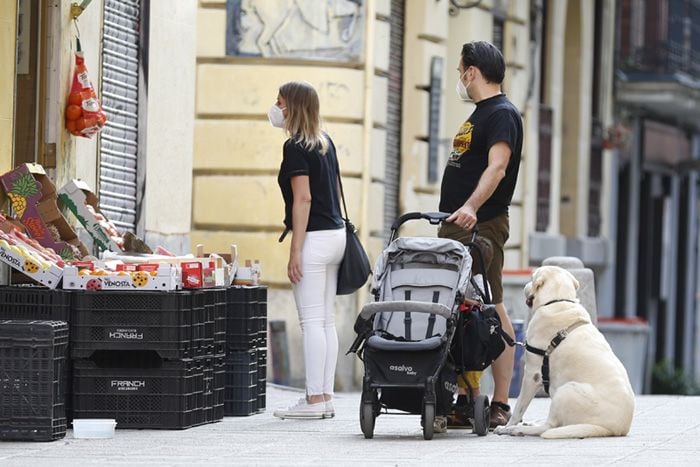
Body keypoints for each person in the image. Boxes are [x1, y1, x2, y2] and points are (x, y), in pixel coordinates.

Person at [438, 40, 523, 430]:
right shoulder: (481, 113)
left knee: (491, 305)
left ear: (472, 71)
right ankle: (465, 396)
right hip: (460, 223)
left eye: (460, 71)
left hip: (482, 223)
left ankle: (501, 401)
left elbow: (498, 166)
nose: (460, 78)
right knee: (463, 310)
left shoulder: (502, 114)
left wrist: (471, 207)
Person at [270, 81, 346, 420]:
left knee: (311, 321)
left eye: (280, 102)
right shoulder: (325, 142)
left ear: (293, 107)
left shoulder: (295, 147)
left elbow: (303, 198)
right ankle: (325, 396)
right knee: (326, 320)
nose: (276, 108)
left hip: (314, 239)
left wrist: (295, 250)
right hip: (337, 237)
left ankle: (314, 399)